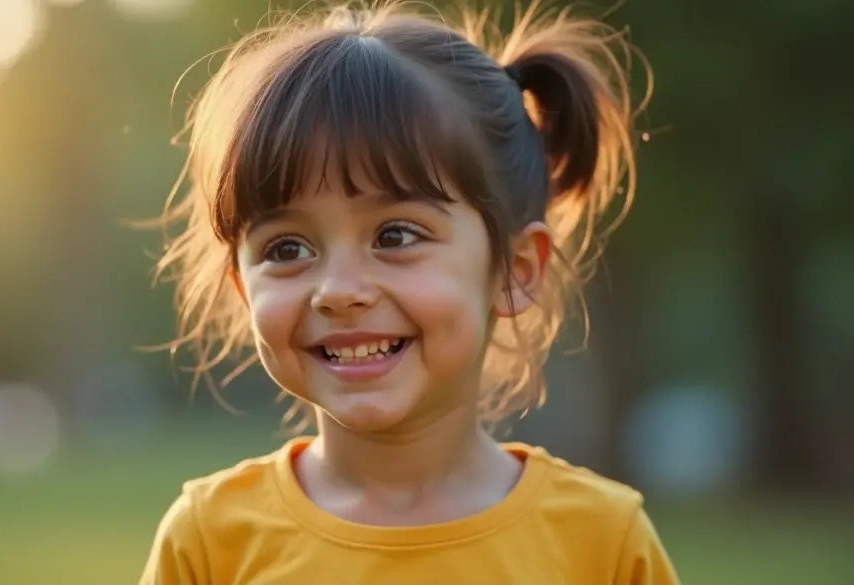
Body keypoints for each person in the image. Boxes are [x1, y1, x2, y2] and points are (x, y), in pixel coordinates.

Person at [140, 1, 677, 583]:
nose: (338, 292)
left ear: (515, 269)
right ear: (244, 288)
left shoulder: (601, 544)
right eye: (287, 249)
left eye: (395, 235)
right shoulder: (210, 542)